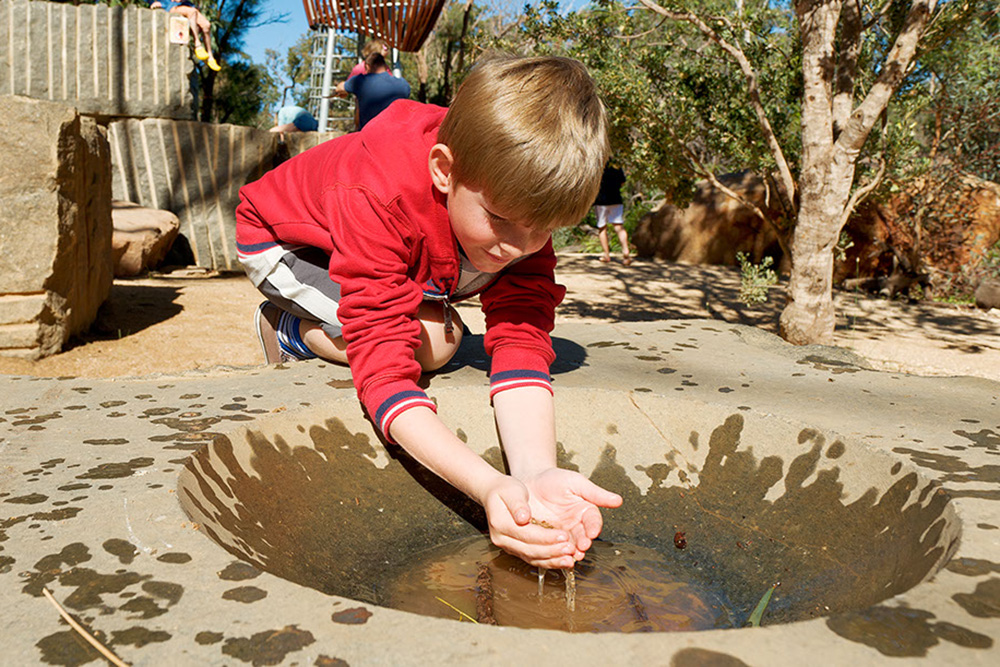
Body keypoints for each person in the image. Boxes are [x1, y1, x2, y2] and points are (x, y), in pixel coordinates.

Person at [235, 55, 622, 570]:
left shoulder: (516, 214)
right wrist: (486, 486)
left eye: (544, 229)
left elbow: (521, 335)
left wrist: (533, 475)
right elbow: (385, 370)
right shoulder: (380, 187)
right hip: (287, 245)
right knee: (437, 344)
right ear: (443, 170)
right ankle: (290, 331)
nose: (519, 246)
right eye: (502, 220)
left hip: (396, 243)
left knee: (447, 324)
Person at [343, 52, 412, 130]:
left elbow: (340, 88)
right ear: (385, 66)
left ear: (368, 67)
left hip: (368, 136)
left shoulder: (360, 81)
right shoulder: (403, 84)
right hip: (395, 135)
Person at [150, 1, 220, 71]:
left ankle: (210, 57)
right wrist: (155, 2)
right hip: (170, 6)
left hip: (185, 5)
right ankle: (197, 45)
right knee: (192, 12)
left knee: (206, 25)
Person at [592, 164, 631, 265]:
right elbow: (622, 182)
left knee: (602, 227)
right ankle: (626, 252)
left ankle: (606, 255)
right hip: (616, 199)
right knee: (619, 226)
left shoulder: (597, 166)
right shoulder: (616, 166)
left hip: (601, 201)